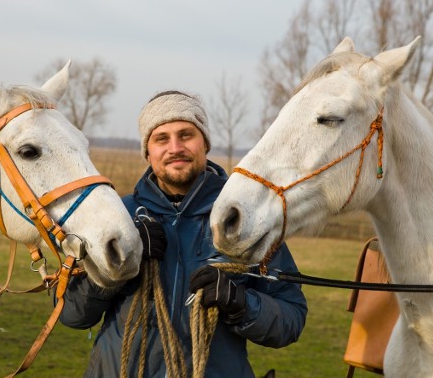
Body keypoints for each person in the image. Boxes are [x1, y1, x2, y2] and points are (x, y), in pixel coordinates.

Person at [59, 91, 307, 377]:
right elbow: (72, 314)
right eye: (161, 138)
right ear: (147, 151)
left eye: (186, 135)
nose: (175, 147)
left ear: (205, 143)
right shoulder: (115, 217)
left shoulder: (244, 219)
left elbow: (291, 318)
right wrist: (117, 266)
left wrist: (240, 303)